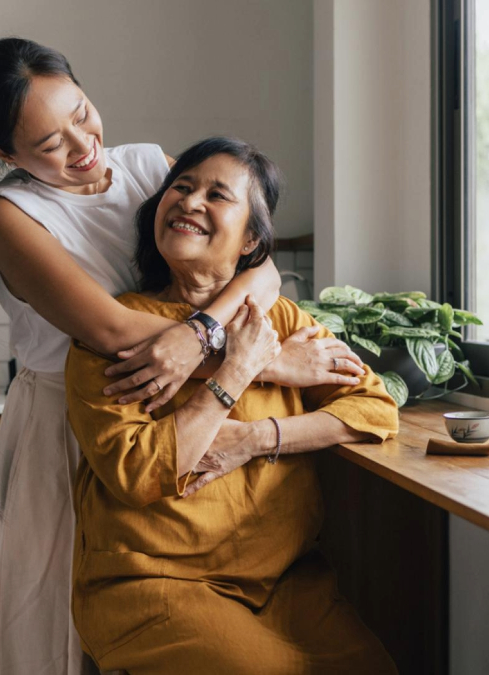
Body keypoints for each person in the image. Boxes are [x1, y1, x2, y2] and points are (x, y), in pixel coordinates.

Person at [0, 40, 369, 675]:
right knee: (58, 627)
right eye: (49, 144)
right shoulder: (6, 214)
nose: (81, 143)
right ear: (4, 154)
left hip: (185, 410)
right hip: (75, 422)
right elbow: (112, 331)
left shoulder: (151, 165)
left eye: (81, 112)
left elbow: (259, 265)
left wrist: (201, 331)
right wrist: (262, 362)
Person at [64, 137, 400, 674]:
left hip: (286, 583)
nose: (190, 201)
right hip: (152, 584)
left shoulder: (283, 319)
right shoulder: (115, 331)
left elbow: (375, 408)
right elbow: (138, 471)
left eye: (217, 194)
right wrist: (237, 369)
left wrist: (256, 439)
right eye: (181, 186)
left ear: (249, 241)